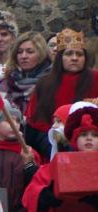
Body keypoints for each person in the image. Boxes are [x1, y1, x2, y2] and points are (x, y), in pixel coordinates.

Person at [25, 29, 98, 160]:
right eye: (69, 54)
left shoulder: (96, 79)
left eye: (79, 54)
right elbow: (36, 123)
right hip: (52, 145)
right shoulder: (45, 83)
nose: (74, 58)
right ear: (60, 58)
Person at [0, 32, 51, 115]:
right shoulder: (4, 84)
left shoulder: (52, 82)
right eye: (19, 52)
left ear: (41, 54)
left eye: (30, 52)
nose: (23, 56)